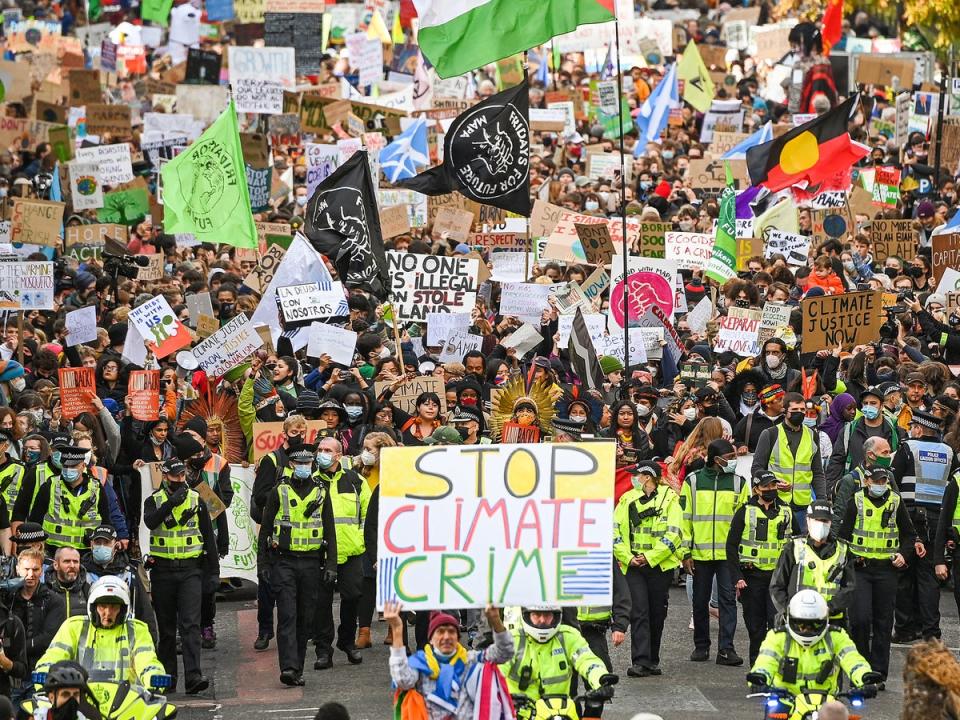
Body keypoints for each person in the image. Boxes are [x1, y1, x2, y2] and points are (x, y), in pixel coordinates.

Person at [261, 443, 336, 686]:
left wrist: (332, 565)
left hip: (312, 563)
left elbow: (330, 531)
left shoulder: (321, 492)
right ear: (292, 465)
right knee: (287, 615)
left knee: (305, 618)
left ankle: (298, 667)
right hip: (284, 561)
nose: (303, 467)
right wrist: (263, 563)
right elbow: (265, 530)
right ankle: (289, 668)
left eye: (307, 463)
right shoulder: (279, 491)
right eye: (299, 463)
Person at [143, 457, 218, 695]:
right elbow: (150, 522)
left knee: (190, 625)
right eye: (175, 476)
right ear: (165, 477)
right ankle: (168, 678)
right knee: (166, 629)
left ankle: (194, 676)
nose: (180, 480)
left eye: (182, 476)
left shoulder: (197, 499)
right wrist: (169, 504)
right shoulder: (153, 500)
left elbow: (209, 537)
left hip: (190, 570)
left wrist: (213, 572)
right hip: (163, 571)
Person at [838, 466, 919, 682]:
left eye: (883, 481)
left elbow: (909, 535)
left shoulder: (895, 501)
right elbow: (843, 536)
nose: (880, 485)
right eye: (877, 481)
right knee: (860, 619)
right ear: (867, 481)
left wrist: (903, 554)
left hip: (887, 570)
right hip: (861, 569)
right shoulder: (856, 501)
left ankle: (878, 672)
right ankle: (861, 668)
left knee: (883, 622)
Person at [890, 408, 958, 643]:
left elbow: (892, 482)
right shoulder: (949, 452)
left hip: (909, 518)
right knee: (929, 577)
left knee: (904, 574)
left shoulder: (908, 448)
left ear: (918, 429)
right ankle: (931, 631)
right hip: (937, 521)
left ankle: (906, 628)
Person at [386, 602, 513, 720]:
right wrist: (397, 630)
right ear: (431, 639)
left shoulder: (470, 660)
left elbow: (504, 652)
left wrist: (496, 621)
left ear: (458, 638)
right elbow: (402, 680)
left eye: (451, 632)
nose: (446, 637)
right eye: (440, 632)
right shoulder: (421, 664)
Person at [613, 460, 681, 677]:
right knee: (639, 610)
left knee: (657, 613)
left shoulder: (670, 499)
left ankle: (652, 659)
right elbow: (615, 533)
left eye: (637, 475)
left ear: (648, 477)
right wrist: (629, 557)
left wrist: (650, 557)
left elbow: (674, 534)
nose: (634, 478)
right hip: (633, 566)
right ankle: (640, 661)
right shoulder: (627, 499)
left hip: (659, 566)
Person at [34, 576, 166, 688]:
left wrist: (153, 677)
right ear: (93, 606)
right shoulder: (74, 627)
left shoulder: (137, 630)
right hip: (82, 701)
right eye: (102, 606)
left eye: (114, 607)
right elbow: (54, 655)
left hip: (127, 703)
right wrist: (44, 672)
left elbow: (147, 660)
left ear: (123, 609)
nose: (107, 613)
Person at [681, 438, 744, 666]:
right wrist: (685, 552)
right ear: (716, 459)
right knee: (700, 602)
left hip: (728, 556)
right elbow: (684, 518)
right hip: (700, 553)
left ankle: (726, 649)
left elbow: (743, 521)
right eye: (729, 458)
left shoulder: (739, 483)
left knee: (728, 601)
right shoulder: (693, 481)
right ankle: (701, 646)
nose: (734, 462)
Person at [746, 590, 880, 696]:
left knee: (840, 712)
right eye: (800, 624)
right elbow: (766, 661)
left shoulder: (836, 636)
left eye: (814, 625)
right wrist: (760, 676)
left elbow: (853, 660)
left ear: (824, 620)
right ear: (790, 619)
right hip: (785, 700)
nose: (806, 630)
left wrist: (864, 677)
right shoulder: (777, 637)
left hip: (826, 702)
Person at [250, 414, 307, 651]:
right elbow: (260, 495)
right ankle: (265, 630)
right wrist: (283, 490)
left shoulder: (306, 460)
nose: (299, 437)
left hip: (299, 532)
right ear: (285, 434)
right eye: (295, 433)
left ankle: (298, 629)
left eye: (303, 433)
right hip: (273, 529)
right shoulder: (272, 461)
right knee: (267, 584)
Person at [726, 471, 794, 666]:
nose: (771, 490)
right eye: (766, 487)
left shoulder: (786, 511)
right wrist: (736, 576)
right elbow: (731, 546)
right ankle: (758, 667)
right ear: (756, 489)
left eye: (774, 486)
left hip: (778, 578)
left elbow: (798, 542)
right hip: (751, 577)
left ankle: (772, 665)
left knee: (776, 623)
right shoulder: (745, 511)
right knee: (755, 626)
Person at [500, 605, 617, 717]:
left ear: (556, 616)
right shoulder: (512, 641)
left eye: (547, 615)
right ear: (526, 615)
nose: (542, 620)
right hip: (520, 714)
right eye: (536, 615)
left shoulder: (568, 636)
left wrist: (601, 679)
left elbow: (587, 661)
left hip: (560, 713)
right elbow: (497, 671)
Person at [314, 436, 369, 669]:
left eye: (327, 450)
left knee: (353, 597)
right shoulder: (311, 481)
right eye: (320, 449)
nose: (322, 453)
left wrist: (361, 538)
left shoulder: (355, 480)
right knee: (321, 603)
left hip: (351, 550)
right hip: (321, 552)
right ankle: (323, 650)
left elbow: (367, 513)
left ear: (338, 455)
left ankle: (346, 641)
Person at [770, 500, 855, 622]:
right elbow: (777, 586)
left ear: (831, 523)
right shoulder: (793, 548)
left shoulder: (843, 551)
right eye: (817, 520)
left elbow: (849, 589)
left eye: (825, 521)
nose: (821, 524)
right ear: (808, 521)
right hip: (798, 620)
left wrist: (828, 609)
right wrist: (789, 611)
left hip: (832, 620)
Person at [752, 392, 826, 530]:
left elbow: (817, 472)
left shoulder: (812, 435)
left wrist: (821, 501)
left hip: (803, 506)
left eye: (802, 410)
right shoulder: (770, 434)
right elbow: (757, 469)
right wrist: (773, 484)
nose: (800, 413)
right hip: (776, 503)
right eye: (795, 410)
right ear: (784, 411)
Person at [3, 547, 65, 707]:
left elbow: (48, 638)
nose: (30, 574)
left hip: (38, 673)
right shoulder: (8, 598)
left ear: (42, 570)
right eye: (26, 569)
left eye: (36, 569)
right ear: (17, 569)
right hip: (10, 675)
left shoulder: (53, 600)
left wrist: (15, 649)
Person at [28, 446, 113, 553]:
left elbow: (106, 521)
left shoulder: (96, 488)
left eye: (73, 466)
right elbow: (36, 520)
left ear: (83, 465)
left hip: (86, 552)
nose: (68, 470)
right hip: (54, 551)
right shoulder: (50, 486)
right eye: (65, 466)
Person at [81, 525, 157, 643]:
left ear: (115, 545)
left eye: (106, 543)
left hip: (123, 638)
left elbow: (144, 612)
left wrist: (151, 643)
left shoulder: (129, 574)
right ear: (91, 544)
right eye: (98, 542)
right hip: (89, 638)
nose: (101, 546)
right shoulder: (81, 573)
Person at [43, 547, 89, 618]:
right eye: (67, 561)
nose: (72, 565)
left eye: (76, 561)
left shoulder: (87, 590)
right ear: (56, 565)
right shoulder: (44, 591)